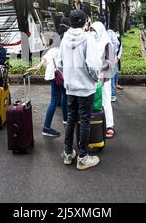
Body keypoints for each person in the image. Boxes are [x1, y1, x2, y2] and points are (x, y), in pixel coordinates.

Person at [58, 10, 102, 171]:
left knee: (70, 119)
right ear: (85, 22)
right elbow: (93, 65)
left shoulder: (64, 39)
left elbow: (59, 62)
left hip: (70, 88)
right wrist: (94, 78)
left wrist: (68, 77)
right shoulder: (88, 39)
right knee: (84, 121)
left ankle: (68, 153)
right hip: (85, 88)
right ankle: (83, 157)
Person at [27, 23, 70, 138]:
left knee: (61, 97)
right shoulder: (63, 47)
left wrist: (38, 66)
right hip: (58, 77)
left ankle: (66, 120)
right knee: (56, 100)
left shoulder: (54, 46)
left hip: (53, 76)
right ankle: (47, 127)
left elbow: (45, 58)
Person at [91, 22, 116, 139]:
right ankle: (98, 125)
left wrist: (101, 74)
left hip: (104, 78)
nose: (93, 33)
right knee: (95, 103)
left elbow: (110, 63)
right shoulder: (91, 43)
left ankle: (109, 126)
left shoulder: (107, 44)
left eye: (94, 30)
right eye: (91, 30)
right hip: (92, 78)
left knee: (106, 101)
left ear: (100, 30)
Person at [107, 29, 121, 102]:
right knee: (112, 75)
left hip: (109, 57)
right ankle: (112, 93)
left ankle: (112, 93)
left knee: (112, 75)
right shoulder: (112, 34)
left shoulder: (108, 33)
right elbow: (118, 44)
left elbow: (118, 45)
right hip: (112, 57)